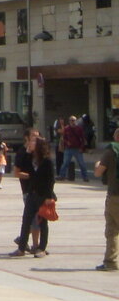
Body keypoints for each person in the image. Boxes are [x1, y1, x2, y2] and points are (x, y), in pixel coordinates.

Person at [10, 130, 40, 256]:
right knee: (33, 219)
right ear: (26, 138)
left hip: (39, 190)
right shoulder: (21, 153)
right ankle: (34, 245)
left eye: (38, 137)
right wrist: (31, 177)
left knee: (37, 219)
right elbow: (16, 173)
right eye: (34, 137)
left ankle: (25, 241)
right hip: (27, 190)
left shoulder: (39, 152)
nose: (36, 139)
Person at [25, 136, 56, 258]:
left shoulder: (47, 161)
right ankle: (22, 246)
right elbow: (25, 167)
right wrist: (27, 152)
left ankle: (42, 247)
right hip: (32, 193)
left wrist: (48, 196)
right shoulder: (33, 159)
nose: (30, 143)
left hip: (43, 195)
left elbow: (51, 180)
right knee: (27, 220)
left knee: (42, 222)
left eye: (33, 142)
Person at [93, 125, 119, 271]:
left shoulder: (111, 151)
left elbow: (98, 173)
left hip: (115, 195)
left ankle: (111, 262)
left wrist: (98, 164)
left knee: (113, 229)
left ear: (116, 137)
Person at [58, 115, 90, 183]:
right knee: (65, 163)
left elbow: (82, 139)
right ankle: (61, 176)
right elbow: (63, 138)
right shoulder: (66, 129)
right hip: (68, 149)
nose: (73, 122)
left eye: (74, 120)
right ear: (69, 121)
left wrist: (82, 148)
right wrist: (67, 142)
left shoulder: (79, 129)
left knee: (82, 164)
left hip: (77, 149)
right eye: (71, 120)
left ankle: (85, 177)